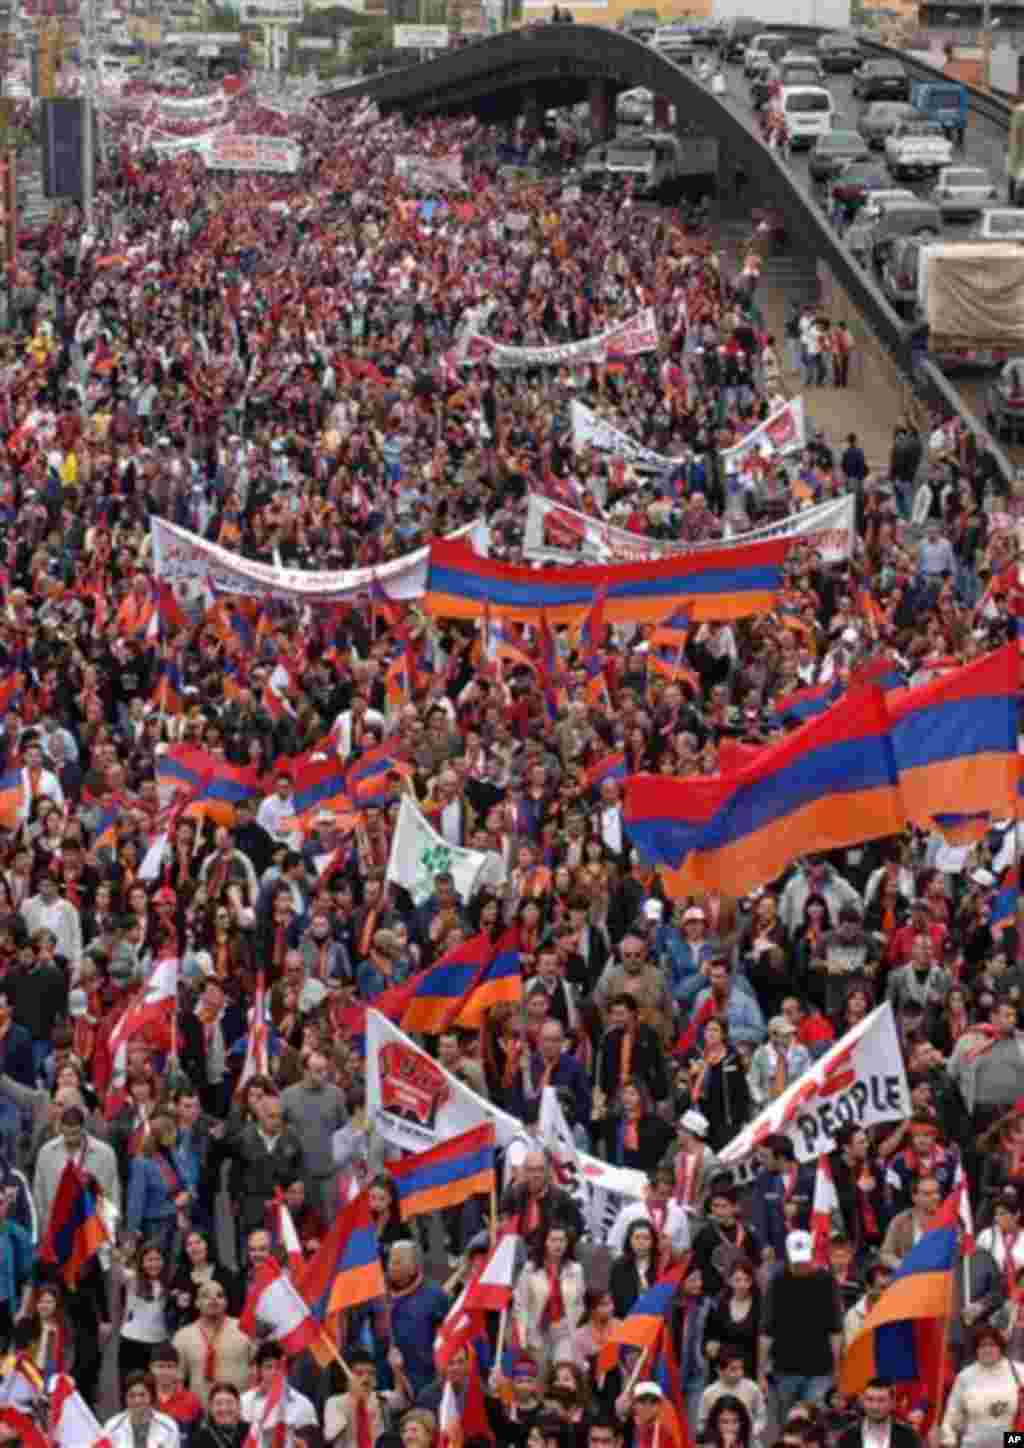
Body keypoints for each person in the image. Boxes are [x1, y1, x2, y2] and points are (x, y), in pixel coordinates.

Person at [759, 1230, 843, 1420]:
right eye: (796, 1262)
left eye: (804, 1260)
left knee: (814, 1425)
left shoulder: (827, 1281)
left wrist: (838, 1369)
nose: (801, 1266)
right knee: (787, 1426)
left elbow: (836, 1330)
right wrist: (761, 1372)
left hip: (820, 1369)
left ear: (812, 1254)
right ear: (787, 1256)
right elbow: (766, 1330)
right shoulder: (777, 1282)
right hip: (784, 1368)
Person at [940, 1325, 1024, 1448]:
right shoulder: (965, 1376)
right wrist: (948, 1441)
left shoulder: (1019, 1371)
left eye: (992, 1345)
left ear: (1000, 1347)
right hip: (973, 1444)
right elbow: (952, 1415)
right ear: (976, 1350)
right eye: (982, 1345)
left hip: (1011, 1443)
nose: (987, 1349)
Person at [103, 1370, 183, 1448]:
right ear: (125, 1398)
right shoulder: (112, 1427)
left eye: (142, 1395)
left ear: (151, 1396)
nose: (137, 1401)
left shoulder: (169, 1427)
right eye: (132, 1395)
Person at [192, 1382, 250, 1448]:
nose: (224, 1408)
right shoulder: (200, 1439)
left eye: (229, 1402)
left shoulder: (251, 1432)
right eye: (218, 1403)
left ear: (238, 1405)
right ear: (210, 1407)